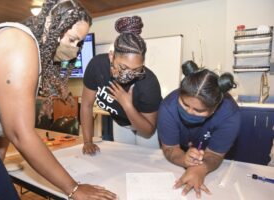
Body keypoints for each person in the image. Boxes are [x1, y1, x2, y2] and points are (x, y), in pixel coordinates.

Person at [0, 0, 116, 199]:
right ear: (50, 26)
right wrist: (74, 189)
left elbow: (7, 115)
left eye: (79, 44)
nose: (75, 49)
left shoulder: (26, 45)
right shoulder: (19, 43)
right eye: (72, 39)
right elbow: (19, 133)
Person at [157, 60, 240, 198]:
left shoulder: (230, 115)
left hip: (208, 155)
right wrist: (184, 159)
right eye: (184, 104)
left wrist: (201, 168)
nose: (189, 112)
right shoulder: (167, 107)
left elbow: (215, 154)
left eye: (198, 110)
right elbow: (169, 148)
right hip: (181, 155)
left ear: (215, 108)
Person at [81, 16, 162, 154]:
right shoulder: (97, 66)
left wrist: (127, 104)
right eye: (123, 67)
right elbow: (86, 105)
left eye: (136, 70)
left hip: (145, 125)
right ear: (112, 56)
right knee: (123, 160)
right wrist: (88, 141)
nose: (128, 75)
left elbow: (148, 131)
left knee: (146, 166)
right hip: (121, 123)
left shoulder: (148, 82)